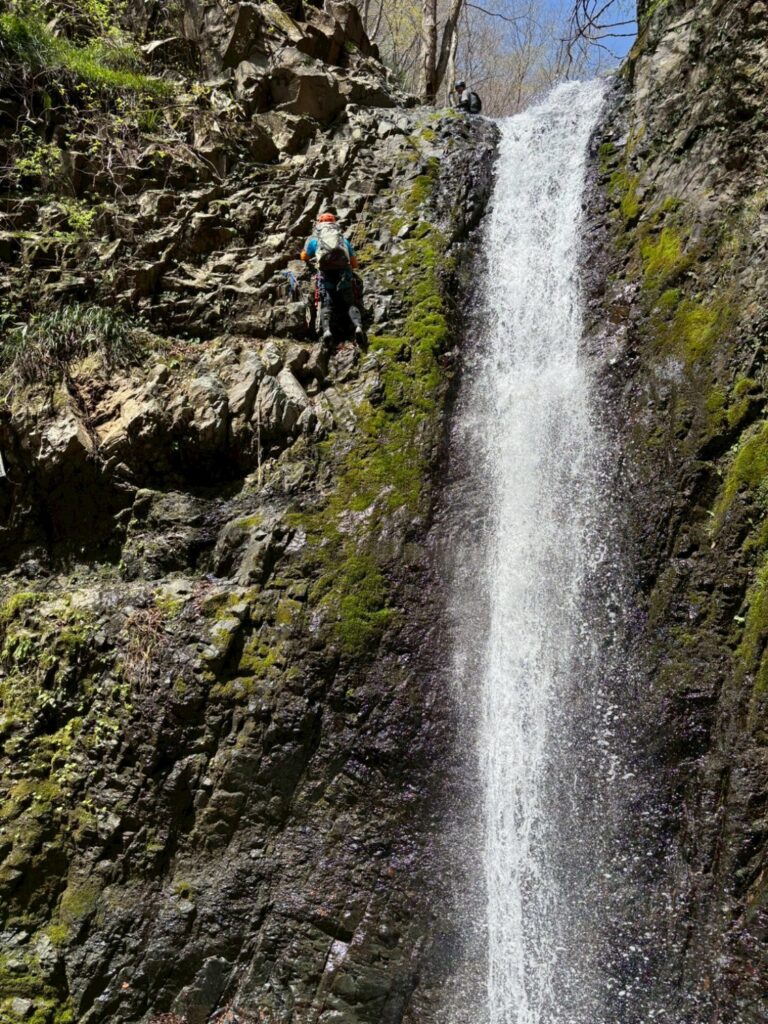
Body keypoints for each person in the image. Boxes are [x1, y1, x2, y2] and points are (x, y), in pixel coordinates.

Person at [301, 213, 366, 349]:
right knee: (350, 303)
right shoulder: (342, 240)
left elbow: (304, 256)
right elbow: (354, 264)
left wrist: (309, 256)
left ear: (319, 224)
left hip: (326, 276)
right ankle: (358, 327)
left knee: (327, 304)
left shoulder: (316, 239)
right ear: (334, 224)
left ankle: (327, 331)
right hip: (345, 275)